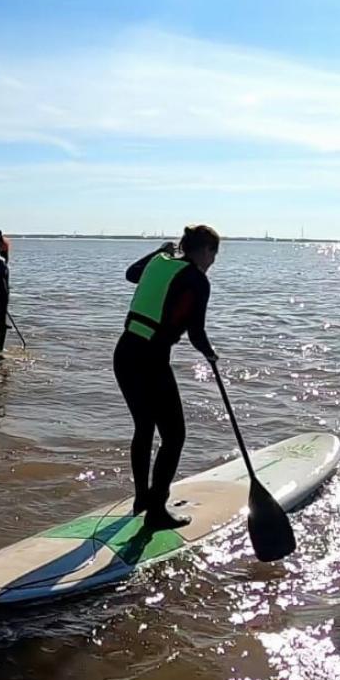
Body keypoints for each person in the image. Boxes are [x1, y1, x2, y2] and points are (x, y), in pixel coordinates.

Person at [113, 225, 220, 531]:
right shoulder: (197, 280)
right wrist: (210, 355)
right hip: (150, 360)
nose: (214, 260)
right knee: (174, 436)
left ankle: (142, 499)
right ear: (204, 250)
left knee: (144, 427)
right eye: (214, 253)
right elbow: (197, 332)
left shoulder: (160, 261)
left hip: (124, 353)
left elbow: (132, 273)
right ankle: (156, 510)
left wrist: (160, 251)